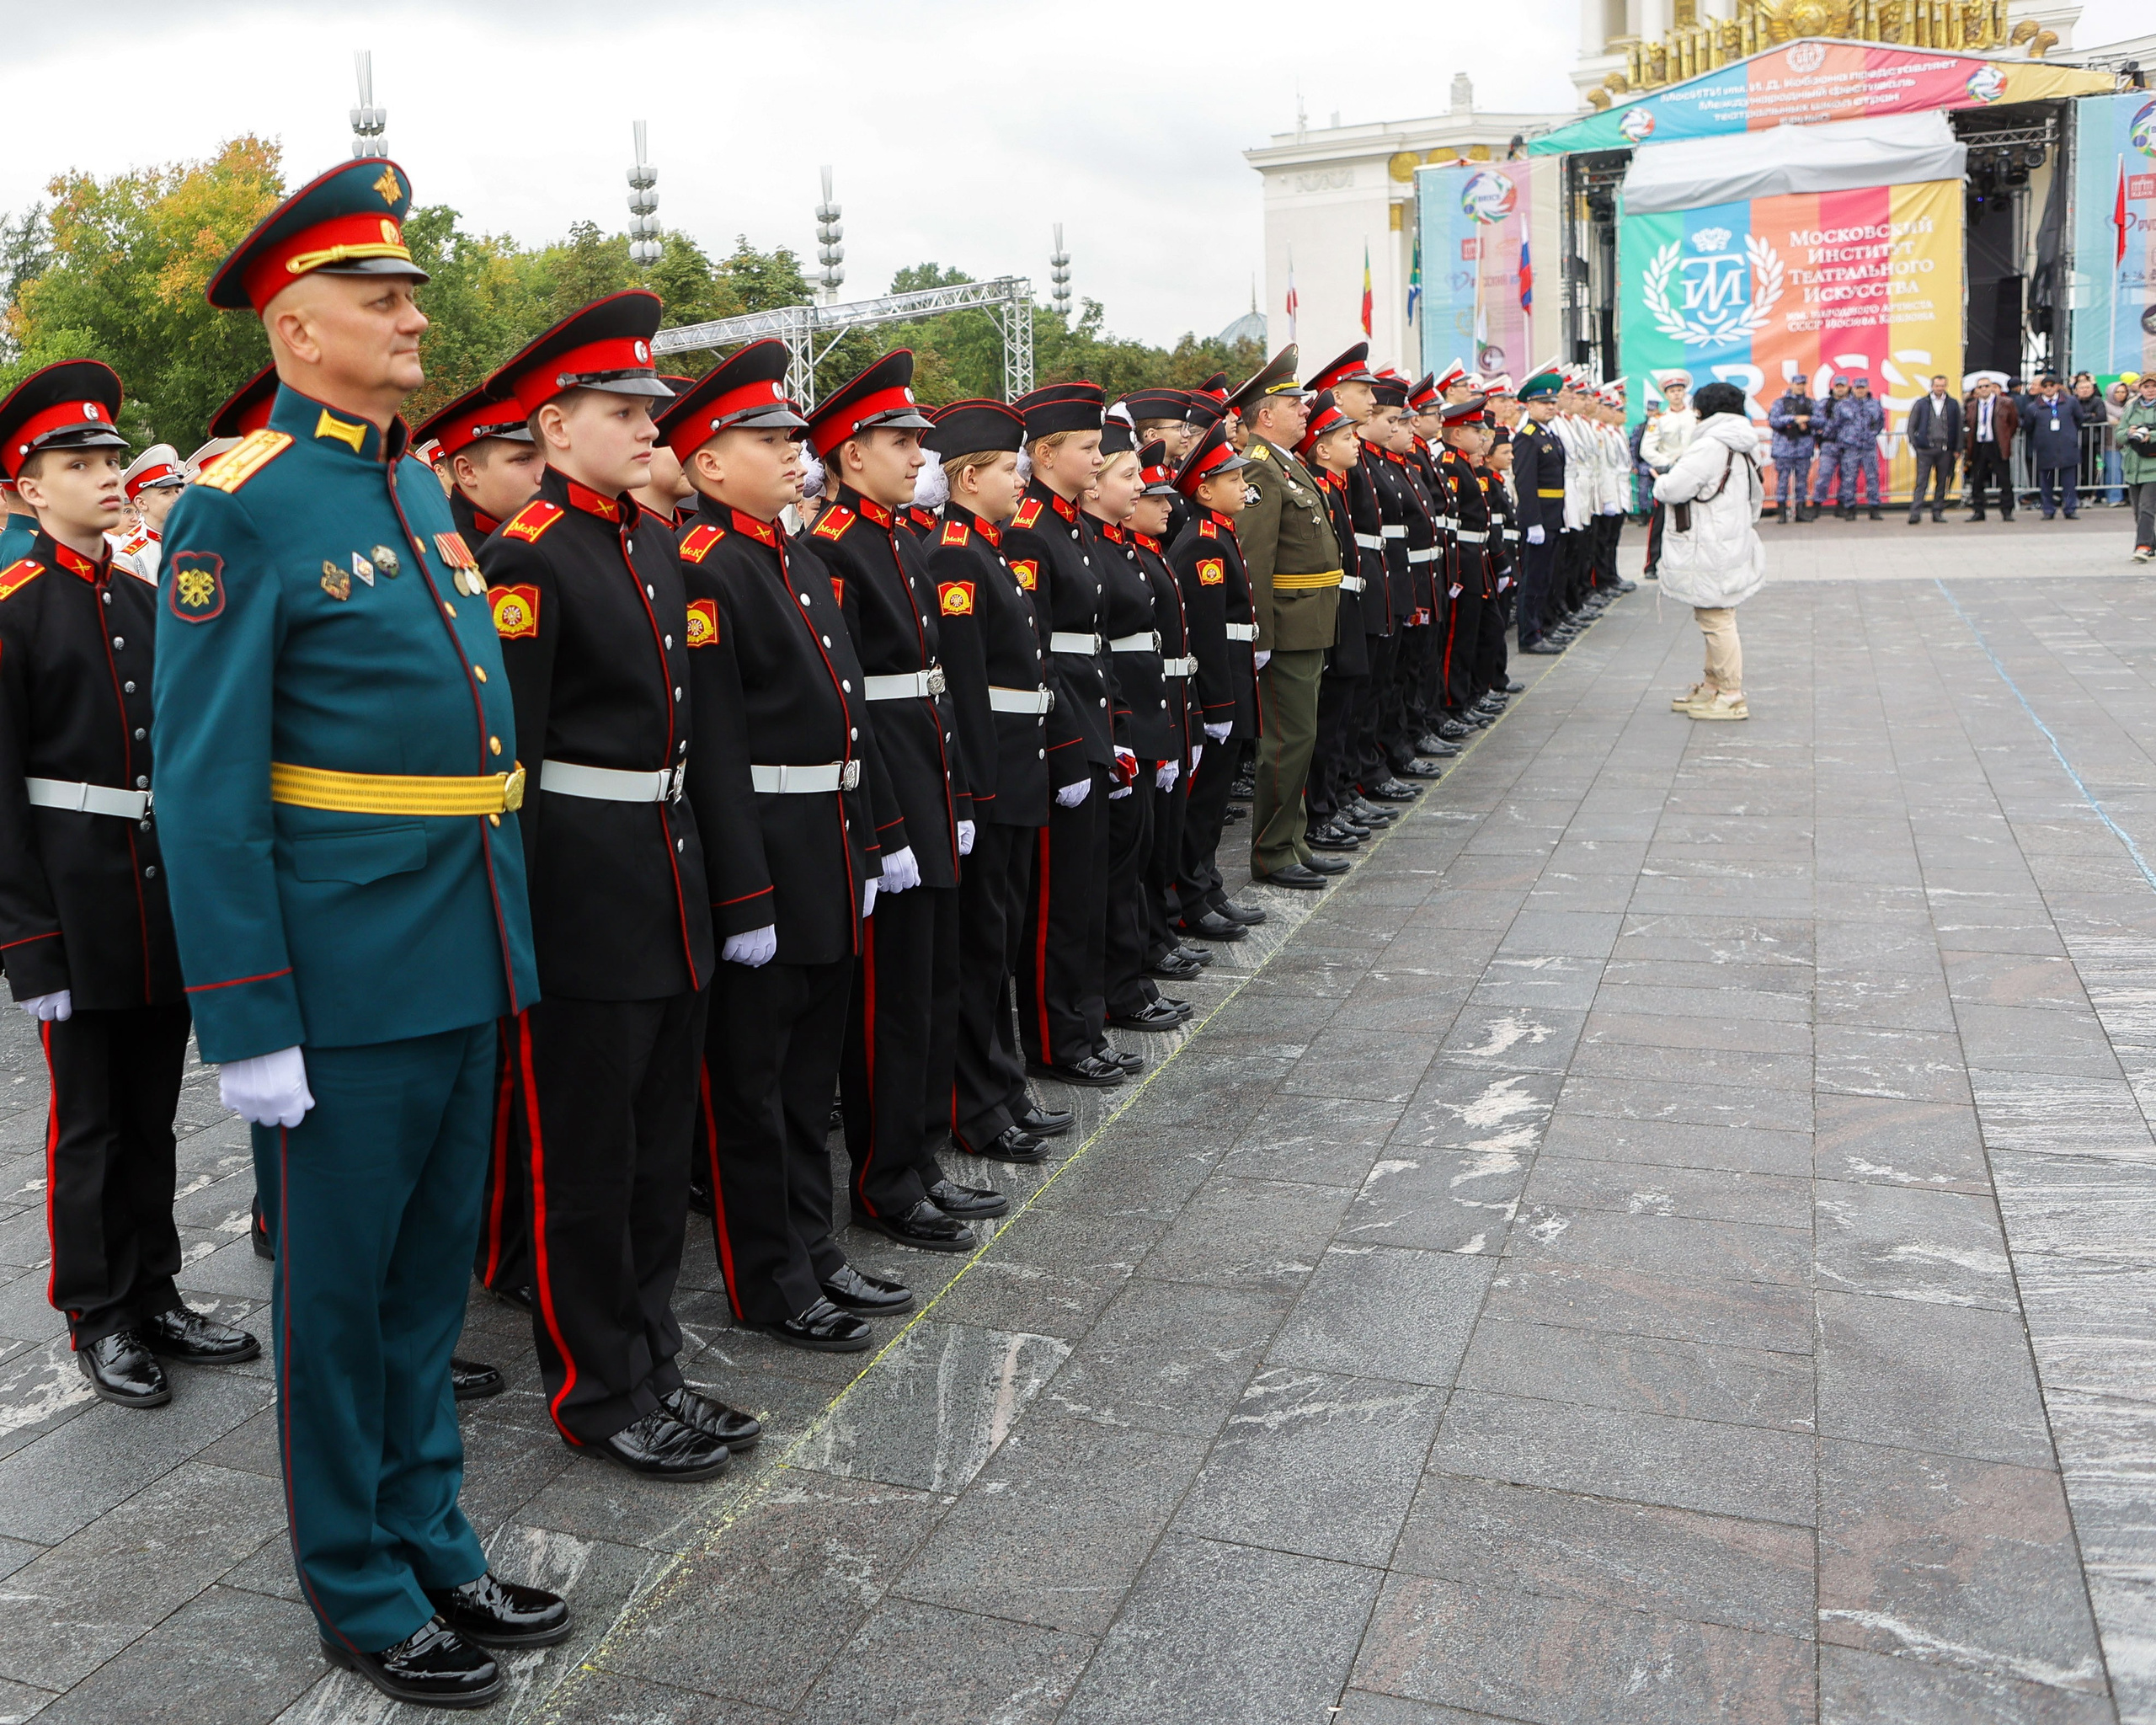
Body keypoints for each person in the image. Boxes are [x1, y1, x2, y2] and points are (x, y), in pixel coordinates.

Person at [153, 158, 565, 1709]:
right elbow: (202, 792)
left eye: (409, 290)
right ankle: (354, 1578)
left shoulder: (406, 484)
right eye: (376, 296)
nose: (413, 314)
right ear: (296, 327)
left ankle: (432, 1532)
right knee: (334, 1302)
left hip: (460, 945)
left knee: (423, 1286)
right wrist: (249, 1015)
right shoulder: (238, 506)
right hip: (337, 975)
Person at [478, 290, 729, 1482]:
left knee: (652, 1153)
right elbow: (507, 769)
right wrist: (519, 930)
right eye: (620, 408)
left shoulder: (644, 542)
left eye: (650, 407)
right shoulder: (523, 557)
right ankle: (595, 1388)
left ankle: (655, 1361)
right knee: (585, 1166)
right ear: (555, 424)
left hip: (664, 878)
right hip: (582, 895)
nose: (648, 426)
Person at [0, 360, 259, 1412]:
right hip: (75, 897)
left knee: (153, 1110)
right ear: (26, 489)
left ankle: (157, 1289)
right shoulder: (13, 609)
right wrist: (27, 942)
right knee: (92, 1121)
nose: (108, 475)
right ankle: (97, 1310)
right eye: (80, 462)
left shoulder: (144, 596)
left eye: (112, 458)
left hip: (157, 899)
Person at [659, 336, 914, 1355]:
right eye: (769, 440)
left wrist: (871, 838)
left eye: (792, 436)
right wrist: (746, 895)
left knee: (811, 1077)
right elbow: (716, 745)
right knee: (754, 1090)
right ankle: (769, 1275)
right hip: (764, 849)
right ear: (711, 462)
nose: (793, 453)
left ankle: (816, 1245)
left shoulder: (793, 554)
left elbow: (846, 715)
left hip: (826, 841)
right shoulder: (707, 565)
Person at [805, 350, 996, 1252]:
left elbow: (935, 685)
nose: (916, 454)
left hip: (927, 775)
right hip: (888, 786)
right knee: (887, 1005)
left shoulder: (896, 535)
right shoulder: (836, 545)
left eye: (918, 439)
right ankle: (885, 1180)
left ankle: (916, 1159)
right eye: (896, 440)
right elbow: (854, 702)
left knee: (927, 985)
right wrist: (888, 824)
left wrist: (953, 787)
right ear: (848, 454)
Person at [923, 398, 1069, 1163]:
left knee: (1002, 938)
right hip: (993, 774)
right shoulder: (955, 555)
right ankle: (977, 1104)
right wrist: (974, 790)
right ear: (970, 476)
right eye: (1010, 471)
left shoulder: (991, 547)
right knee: (982, 947)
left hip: (1019, 764)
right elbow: (966, 688)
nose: (1021, 483)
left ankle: (1003, 1085)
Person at [1006, 382, 1127, 1085]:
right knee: (1055, 901)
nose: (1098, 458)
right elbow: (1038, 650)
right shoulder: (1029, 528)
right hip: (1062, 724)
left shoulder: (1071, 524)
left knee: (1083, 891)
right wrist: (1066, 743)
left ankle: (1083, 1025)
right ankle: (1056, 1040)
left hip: (1091, 713)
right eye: (1087, 448)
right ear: (1047, 453)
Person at [1232, 346, 1347, 892]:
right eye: (1294, 403)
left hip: (1310, 622)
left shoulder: (1286, 462)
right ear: (1265, 414)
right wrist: (1260, 635)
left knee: (1302, 737)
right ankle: (1273, 852)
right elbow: (1256, 560)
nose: (1306, 410)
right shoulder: (1259, 465)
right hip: (1286, 625)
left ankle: (1293, 839)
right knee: (1287, 741)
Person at [1655, 380, 1763, 722]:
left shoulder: (1711, 445)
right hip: (1729, 537)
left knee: (1717, 619)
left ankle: (1731, 695)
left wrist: (1660, 479)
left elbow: (1673, 488)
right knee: (1712, 614)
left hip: (1711, 543)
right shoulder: (1742, 439)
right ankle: (1712, 685)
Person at [1510, 369, 1566, 654]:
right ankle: (1529, 636)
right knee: (1532, 579)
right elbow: (1526, 483)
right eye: (1545, 403)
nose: (1550, 407)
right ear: (1529, 406)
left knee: (1545, 578)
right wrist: (1532, 522)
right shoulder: (1527, 438)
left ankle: (1540, 629)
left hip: (1552, 517)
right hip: (1539, 520)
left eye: (1553, 403)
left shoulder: (1549, 435)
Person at [1638, 371, 1695, 569]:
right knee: (1661, 518)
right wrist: (1668, 462)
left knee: (1695, 516)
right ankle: (1653, 563)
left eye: (1680, 390)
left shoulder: (1695, 416)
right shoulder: (1659, 420)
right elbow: (1646, 449)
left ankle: (1691, 560)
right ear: (1666, 395)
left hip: (1693, 471)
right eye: (1672, 391)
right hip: (1668, 472)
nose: (1677, 395)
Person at [110, 444, 187, 581]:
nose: (176, 498)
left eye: (176, 491)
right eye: (165, 493)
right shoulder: (131, 558)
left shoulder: (187, 540)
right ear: (142, 503)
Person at [1904, 374, 1961, 525]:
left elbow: (1959, 428)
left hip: (1945, 449)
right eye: (1937, 386)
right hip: (1925, 449)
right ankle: (1915, 513)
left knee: (1941, 482)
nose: (1939, 388)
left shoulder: (1953, 404)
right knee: (1921, 482)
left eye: (1942, 386)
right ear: (1932, 386)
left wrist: (1957, 448)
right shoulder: (1921, 403)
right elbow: (1912, 425)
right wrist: (1915, 443)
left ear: (1946, 386)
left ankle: (1937, 512)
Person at [2027, 375, 2084, 520]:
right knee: (2046, 482)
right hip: (2045, 448)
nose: (2048, 389)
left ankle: (2070, 509)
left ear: (2057, 386)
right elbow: (2029, 426)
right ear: (2041, 388)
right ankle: (2048, 509)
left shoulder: (2070, 402)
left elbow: (2079, 419)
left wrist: (2070, 436)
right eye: (2045, 386)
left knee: (2069, 482)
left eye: (2051, 386)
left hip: (2067, 447)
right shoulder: (2034, 407)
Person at [1965, 372, 2019, 521]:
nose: (1984, 389)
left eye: (1987, 386)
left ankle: (2007, 511)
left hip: (1997, 444)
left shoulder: (2005, 403)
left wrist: (2006, 437)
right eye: (1980, 387)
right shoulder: (1971, 405)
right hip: (1979, 445)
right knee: (1977, 480)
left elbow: (2013, 423)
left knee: (2004, 479)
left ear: (1992, 387)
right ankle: (1978, 511)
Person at [1766, 380, 1817, 523]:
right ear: (1791, 385)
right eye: (1797, 384)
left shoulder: (1810, 403)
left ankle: (1801, 511)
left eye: (1802, 384)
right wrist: (1794, 419)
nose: (1800, 387)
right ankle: (1782, 512)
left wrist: (1807, 419)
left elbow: (1821, 421)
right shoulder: (1780, 403)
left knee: (1802, 482)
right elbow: (1774, 421)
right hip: (1784, 449)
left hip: (1803, 449)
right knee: (1782, 482)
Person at [1837, 376, 1886, 520]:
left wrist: (1870, 435)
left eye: (1862, 388)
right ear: (1853, 389)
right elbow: (1836, 424)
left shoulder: (1875, 404)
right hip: (1851, 448)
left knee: (1872, 478)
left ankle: (1874, 508)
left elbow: (1880, 423)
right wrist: (1846, 438)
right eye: (1857, 388)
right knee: (1849, 478)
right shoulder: (1843, 405)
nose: (1860, 391)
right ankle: (1850, 509)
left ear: (1867, 389)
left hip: (1868, 447)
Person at [2118, 371, 2156, 561]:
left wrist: (2151, 435)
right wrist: (2129, 432)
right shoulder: (2132, 407)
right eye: (2147, 386)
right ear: (2140, 388)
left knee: (2147, 508)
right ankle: (2153, 543)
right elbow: (2119, 433)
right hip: (2133, 466)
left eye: (2154, 386)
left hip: (2153, 466)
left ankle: (2143, 546)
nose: (2151, 390)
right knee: (2137, 511)